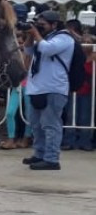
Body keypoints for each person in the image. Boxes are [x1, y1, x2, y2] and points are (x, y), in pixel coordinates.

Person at [22, 10, 75, 170]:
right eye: (38, 24)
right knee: (36, 125)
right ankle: (39, 154)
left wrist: (36, 33)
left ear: (54, 24)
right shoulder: (42, 39)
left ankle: (52, 159)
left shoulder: (64, 38)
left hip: (54, 88)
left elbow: (48, 50)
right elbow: (28, 51)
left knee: (51, 125)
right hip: (36, 88)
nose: (40, 27)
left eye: (43, 25)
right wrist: (31, 35)